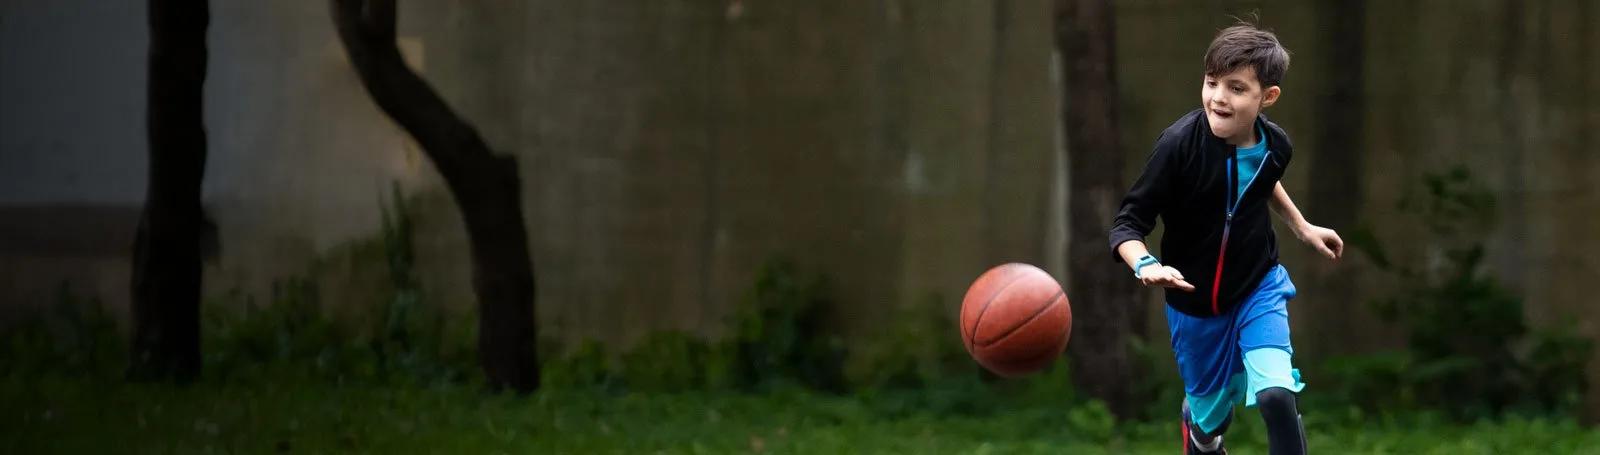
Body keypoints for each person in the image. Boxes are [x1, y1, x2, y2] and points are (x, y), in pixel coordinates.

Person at [1106, 17, 1344, 455]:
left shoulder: (1277, 146)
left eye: (1236, 88)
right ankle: (1200, 432)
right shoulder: (1178, 145)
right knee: (1209, 421)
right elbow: (1128, 224)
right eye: (1212, 82)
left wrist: (1302, 226)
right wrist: (1146, 264)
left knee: (1276, 395)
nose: (1218, 97)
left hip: (1258, 286)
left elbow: (1261, 180)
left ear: (1267, 97)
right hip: (1195, 307)